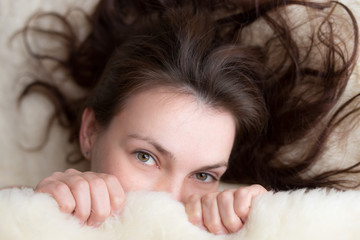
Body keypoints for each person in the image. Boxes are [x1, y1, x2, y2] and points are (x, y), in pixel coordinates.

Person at [19, 0, 359, 235]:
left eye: (203, 175)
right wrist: (30, 212)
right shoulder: (28, 217)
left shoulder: (226, 222)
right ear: (91, 131)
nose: (168, 199)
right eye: (145, 157)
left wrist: (268, 227)